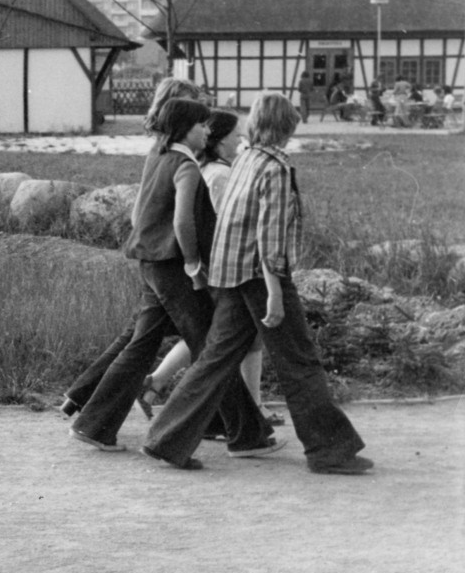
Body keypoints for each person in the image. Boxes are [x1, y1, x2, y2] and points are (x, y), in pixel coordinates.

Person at [143, 93, 372, 474]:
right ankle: (328, 450)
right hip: (261, 276)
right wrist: (276, 293)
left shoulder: (246, 157)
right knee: (300, 361)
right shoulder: (276, 168)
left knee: (215, 359)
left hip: (230, 272)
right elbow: (270, 237)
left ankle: (165, 438)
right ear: (288, 127)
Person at [68, 98, 278, 458]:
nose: (207, 132)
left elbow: (142, 210)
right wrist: (195, 264)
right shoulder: (187, 167)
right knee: (212, 349)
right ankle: (245, 433)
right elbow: (183, 221)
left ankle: (94, 424)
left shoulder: (158, 156)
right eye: (201, 126)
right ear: (185, 129)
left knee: (142, 344)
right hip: (175, 268)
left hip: (150, 263)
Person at [58, 77, 203, 418]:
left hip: (152, 255)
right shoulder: (178, 155)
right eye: (187, 106)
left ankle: (81, 396)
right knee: (184, 338)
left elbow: (139, 209)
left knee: (138, 336)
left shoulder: (158, 149)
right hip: (169, 257)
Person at [134, 109, 282, 427]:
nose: (241, 143)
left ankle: (157, 382)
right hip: (224, 265)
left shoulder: (212, 169)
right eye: (236, 137)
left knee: (218, 333)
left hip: (219, 263)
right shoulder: (219, 174)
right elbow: (221, 223)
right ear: (219, 141)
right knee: (231, 335)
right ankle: (247, 408)